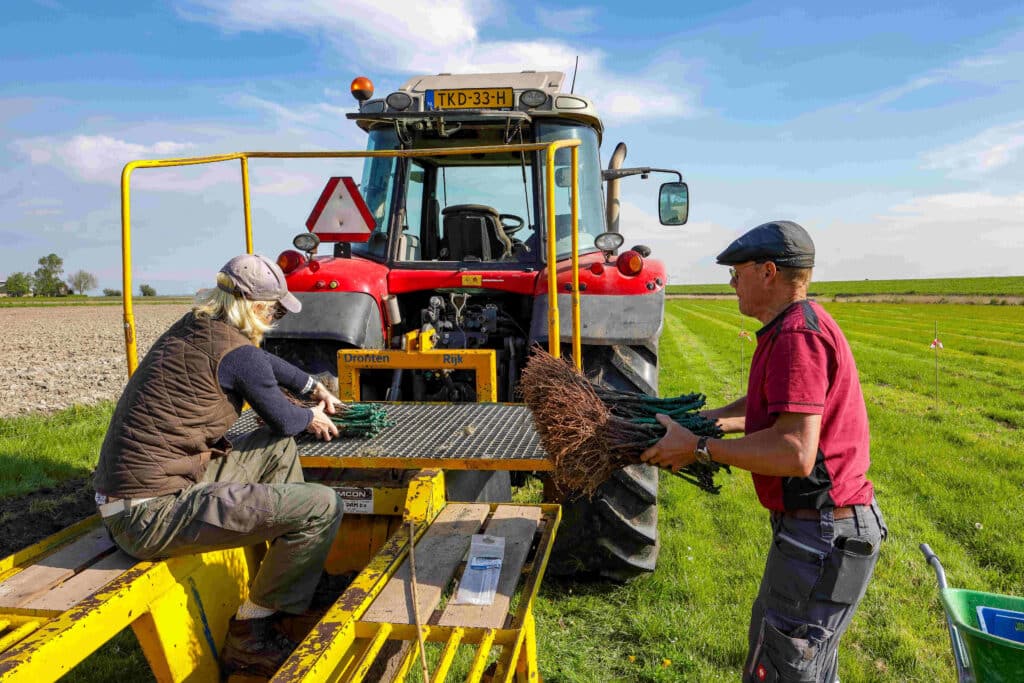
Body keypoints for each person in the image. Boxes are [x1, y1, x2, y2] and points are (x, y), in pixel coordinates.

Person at [640, 221, 887, 683]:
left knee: (780, 669)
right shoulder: (793, 326)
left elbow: (795, 452)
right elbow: (766, 408)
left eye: (737, 272)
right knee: (804, 667)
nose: (732, 283)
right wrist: (704, 421)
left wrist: (697, 448)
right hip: (826, 531)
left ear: (768, 271)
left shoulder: (798, 338)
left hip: (823, 535)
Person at [93, 253, 346, 677]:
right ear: (258, 308)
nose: (276, 317)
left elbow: (264, 367)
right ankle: (250, 633)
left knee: (276, 447)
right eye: (276, 309)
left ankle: (295, 579)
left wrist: (311, 385)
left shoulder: (198, 327)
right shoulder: (238, 353)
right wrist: (312, 414)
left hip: (134, 497)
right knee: (322, 505)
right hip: (147, 516)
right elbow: (285, 418)